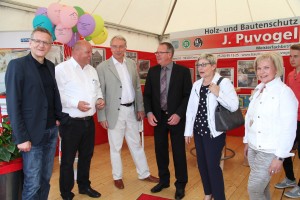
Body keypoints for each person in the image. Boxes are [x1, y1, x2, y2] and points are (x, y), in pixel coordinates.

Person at [5, 27, 69, 200]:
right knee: (32, 182)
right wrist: (21, 137)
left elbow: (52, 95)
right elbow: (13, 104)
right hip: (31, 135)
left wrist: (57, 118)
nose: (41, 45)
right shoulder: (17, 66)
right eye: (38, 41)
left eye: (46, 42)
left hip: (50, 132)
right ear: (31, 42)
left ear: (50, 46)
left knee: (45, 179)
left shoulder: (50, 66)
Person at [96, 35, 159, 190]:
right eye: (115, 46)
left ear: (126, 48)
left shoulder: (131, 64)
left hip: (132, 110)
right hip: (113, 113)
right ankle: (117, 177)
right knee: (115, 147)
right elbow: (100, 93)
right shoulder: (103, 67)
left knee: (136, 144)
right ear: (110, 48)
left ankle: (144, 173)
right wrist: (102, 116)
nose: (118, 49)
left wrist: (140, 108)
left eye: (121, 46)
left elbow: (137, 87)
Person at [243, 52, 298, 200]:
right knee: (263, 187)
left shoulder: (284, 93)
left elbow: (289, 128)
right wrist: (247, 141)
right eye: (259, 68)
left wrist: (279, 157)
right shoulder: (259, 90)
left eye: (266, 67)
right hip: (254, 148)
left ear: (277, 68)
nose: (262, 72)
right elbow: (250, 118)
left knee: (254, 189)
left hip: (270, 151)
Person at [184, 54, 239, 200]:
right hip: (199, 131)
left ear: (213, 66)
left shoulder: (223, 82)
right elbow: (191, 109)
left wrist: (218, 93)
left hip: (214, 132)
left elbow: (234, 106)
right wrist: (188, 131)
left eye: (204, 64)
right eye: (199, 65)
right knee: (202, 165)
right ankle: (208, 194)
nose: (200, 68)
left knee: (213, 167)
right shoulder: (196, 84)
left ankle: (219, 197)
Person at [55, 40, 105, 200]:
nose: (91, 55)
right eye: (88, 52)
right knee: (68, 159)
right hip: (70, 122)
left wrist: (99, 99)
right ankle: (66, 192)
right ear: (76, 52)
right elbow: (58, 95)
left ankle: (84, 186)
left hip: (89, 121)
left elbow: (97, 89)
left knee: (86, 156)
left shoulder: (92, 70)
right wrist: (75, 104)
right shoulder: (61, 69)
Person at [143, 42, 192, 200]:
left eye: (160, 52)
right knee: (160, 151)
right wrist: (149, 113)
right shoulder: (153, 71)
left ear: (169, 54)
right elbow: (148, 95)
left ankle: (180, 184)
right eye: (156, 52)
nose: (157, 55)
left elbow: (187, 96)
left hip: (177, 118)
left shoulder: (183, 72)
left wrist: (178, 114)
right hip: (158, 118)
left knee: (178, 152)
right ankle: (164, 181)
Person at [275, 44, 300, 198]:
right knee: (283, 149)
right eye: (290, 56)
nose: (292, 59)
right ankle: (290, 178)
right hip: (292, 120)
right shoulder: (290, 75)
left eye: (295, 56)